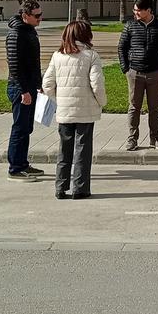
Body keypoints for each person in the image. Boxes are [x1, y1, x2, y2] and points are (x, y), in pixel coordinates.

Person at [42, 18, 107, 200]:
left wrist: (58, 100)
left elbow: (47, 84)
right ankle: (80, 188)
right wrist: (101, 102)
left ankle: (60, 187)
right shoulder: (91, 55)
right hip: (85, 112)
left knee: (64, 149)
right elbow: (97, 84)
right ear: (86, 35)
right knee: (83, 150)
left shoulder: (58, 55)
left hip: (64, 111)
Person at [118, 0, 158, 151]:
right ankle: (132, 139)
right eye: (134, 10)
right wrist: (126, 68)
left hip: (156, 73)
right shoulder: (130, 26)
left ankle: (154, 138)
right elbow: (121, 48)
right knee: (134, 107)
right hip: (134, 72)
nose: (135, 13)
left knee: (154, 107)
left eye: (138, 10)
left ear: (148, 10)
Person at [5, 0, 45, 180]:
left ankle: (23, 163)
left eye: (40, 14)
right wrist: (23, 91)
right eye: (36, 16)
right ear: (25, 16)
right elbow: (14, 64)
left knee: (27, 127)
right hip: (19, 87)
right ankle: (15, 167)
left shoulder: (29, 31)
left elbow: (33, 63)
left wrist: (39, 83)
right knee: (20, 127)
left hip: (30, 85)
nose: (40, 19)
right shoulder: (16, 34)